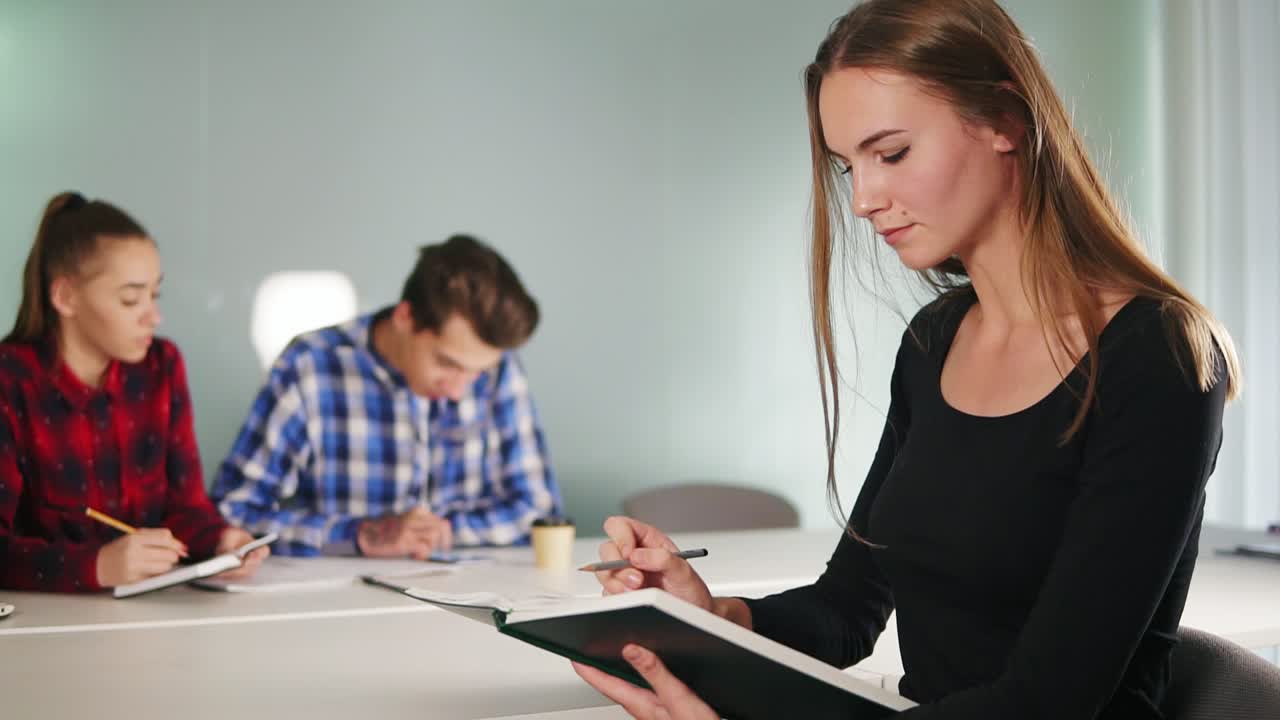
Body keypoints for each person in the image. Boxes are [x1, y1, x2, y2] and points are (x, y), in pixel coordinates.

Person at [573, 1, 1241, 718]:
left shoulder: (1159, 355)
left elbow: (1050, 701)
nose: (862, 199)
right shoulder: (934, 341)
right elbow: (847, 609)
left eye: (890, 154)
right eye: (847, 165)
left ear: (1006, 121)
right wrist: (713, 616)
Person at [212, 234, 563, 557]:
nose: (459, 391)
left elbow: (540, 511)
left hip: (473, 600)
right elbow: (232, 512)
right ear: (406, 318)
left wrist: (446, 531)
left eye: (477, 373)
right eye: (447, 363)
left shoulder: (499, 369)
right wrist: (362, 534)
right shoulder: (310, 365)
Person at [0, 192, 267, 592]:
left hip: (151, 616)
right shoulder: (11, 379)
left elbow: (186, 508)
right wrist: (95, 566)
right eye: (130, 299)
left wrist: (219, 540)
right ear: (65, 297)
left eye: (154, 294)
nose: (153, 316)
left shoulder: (163, 365)